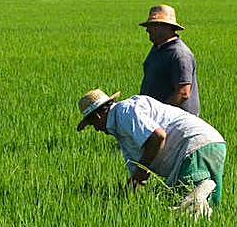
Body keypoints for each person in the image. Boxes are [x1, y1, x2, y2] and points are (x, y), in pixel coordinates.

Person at [76, 88, 225, 218]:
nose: (96, 129)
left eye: (92, 124)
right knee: (207, 208)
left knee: (186, 211)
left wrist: (142, 171)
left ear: (98, 116)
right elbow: (138, 174)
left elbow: (157, 136)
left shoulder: (125, 112)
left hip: (193, 146)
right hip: (211, 144)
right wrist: (125, 199)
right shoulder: (122, 129)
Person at [139, 4, 200, 116]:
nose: (147, 30)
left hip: (176, 122)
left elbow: (183, 93)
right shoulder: (157, 48)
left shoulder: (179, 54)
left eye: (152, 25)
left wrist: (159, 114)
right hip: (158, 119)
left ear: (165, 27)